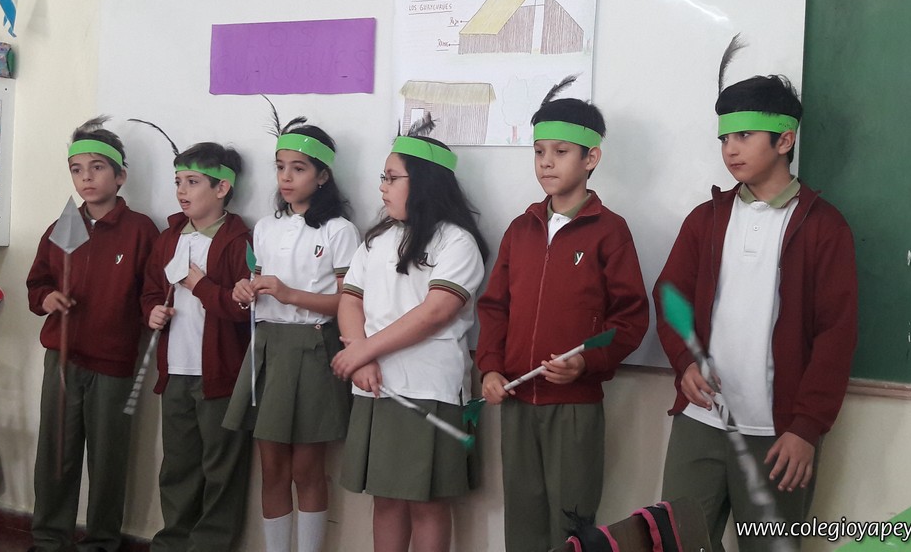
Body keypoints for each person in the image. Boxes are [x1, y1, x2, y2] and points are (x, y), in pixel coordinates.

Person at [654, 56, 858, 551]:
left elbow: (836, 334)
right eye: (724, 137)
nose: (730, 149)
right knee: (676, 541)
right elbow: (670, 296)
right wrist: (684, 362)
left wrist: (806, 428)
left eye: (744, 135)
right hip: (702, 422)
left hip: (778, 433)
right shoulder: (706, 220)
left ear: (784, 140)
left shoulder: (823, 227)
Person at [475, 77, 650, 552]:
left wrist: (586, 363)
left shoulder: (609, 231)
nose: (546, 162)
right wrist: (490, 368)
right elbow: (494, 306)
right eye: (539, 152)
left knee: (571, 525)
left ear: (591, 158)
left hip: (574, 406)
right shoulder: (521, 229)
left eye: (561, 152)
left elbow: (631, 317)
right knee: (523, 518)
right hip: (516, 399)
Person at [333, 117, 487, 552]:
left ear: (423, 183)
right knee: (386, 499)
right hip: (375, 384)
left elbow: (435, 312)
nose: (382, 186)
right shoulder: (376, 240)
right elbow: (350, 300)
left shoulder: (457, 242)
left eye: (392, 177)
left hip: (428, 386)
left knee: (426, 502)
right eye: (382, 177)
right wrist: (360, 355)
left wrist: (363, 351)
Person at [224, 117, 358, 552]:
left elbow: (348, 304)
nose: (286, 177)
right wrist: (246, 291)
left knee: (307, 469)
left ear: (322, 176)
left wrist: (289, 294)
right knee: (272, 469)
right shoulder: (266, 227)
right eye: (280, 167)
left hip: (313, 348)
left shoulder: (339, 230)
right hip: (268, 347)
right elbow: (259, 286)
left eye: (298, 168)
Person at [25, 116, 158, 552]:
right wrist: (46, 298)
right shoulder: (63, 226)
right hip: (62, 360)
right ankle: (49, 537)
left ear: (120, 176)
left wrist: (153, 314)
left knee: (108, 459)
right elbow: (37, 283)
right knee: (56, 454)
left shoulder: (141, 230)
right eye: (77, 169)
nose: (86, 177)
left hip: (114, 363)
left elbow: (151, 292)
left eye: (97, 168)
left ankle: (101, 541)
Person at [141, 137, 253, 552]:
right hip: (175, 372)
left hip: (220, 375)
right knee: (178, 465)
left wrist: (199, 285)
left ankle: (210, 545)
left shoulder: (239, 240)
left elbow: (242, 311)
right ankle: (172, 542)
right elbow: (151, 290)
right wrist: (152, 312)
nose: (181, 191)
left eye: (192, 182)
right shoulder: (169, 237)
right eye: (178, 182)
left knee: (220, 468)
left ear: (222, 188)